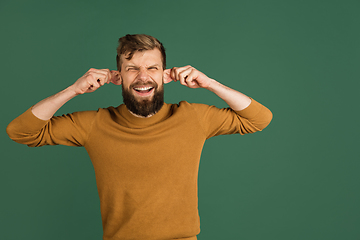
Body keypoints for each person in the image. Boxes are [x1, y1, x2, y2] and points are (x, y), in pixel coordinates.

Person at [7, 34, 273, 240]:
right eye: (132, 68)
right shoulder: (94, 124)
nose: (143, 77)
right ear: (117, 76)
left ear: (165, 75)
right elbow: (20, 132)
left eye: (152, 68)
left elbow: (259, 119)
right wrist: (72, 90)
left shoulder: (192, 117)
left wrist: (209, 83)